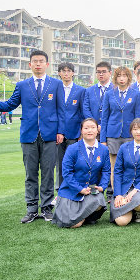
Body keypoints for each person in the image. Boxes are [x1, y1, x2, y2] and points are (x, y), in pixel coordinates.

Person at [0, 50, 63, 223]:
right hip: (29, 134)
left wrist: (60, 131)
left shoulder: (56, 84)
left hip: (50, 135)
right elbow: (9, 105)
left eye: (41, 61)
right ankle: (31, 209)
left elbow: (61, 109)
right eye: (35, 61)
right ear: (30, 64)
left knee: (48, 173)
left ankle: (47, 208)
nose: (38, 64)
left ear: (47, 64)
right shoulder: (22, 85)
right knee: (30, 174)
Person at [52, 118, 110, 228]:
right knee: (74, 224)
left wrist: (102, 186)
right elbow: (67, 173)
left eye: (93, 127)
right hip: (71, 189)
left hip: (91, 188)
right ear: (81, 131)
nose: (90, 130)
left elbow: (106, 171)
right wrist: (79, 189)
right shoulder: (72, 148)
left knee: (99, 200)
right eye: (86, 128)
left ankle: (86, 216)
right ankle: (83, 216)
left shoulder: (104, 149)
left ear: (97, 131)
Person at [100, 66, 140, 197]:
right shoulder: (109, 94)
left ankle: (129, 193)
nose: (122, 78)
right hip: (113, 134)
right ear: (115, 78)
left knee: (129, 165)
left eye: (124, 76)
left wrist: (137, 136)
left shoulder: (135, 94)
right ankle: (116, 195)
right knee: (114, 167)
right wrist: (103, 139)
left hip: (129, 135)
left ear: (129, 78)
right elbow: (105, 117)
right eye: (119, 76)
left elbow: (138, 117)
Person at [110, 118, 140, 226]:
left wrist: (136, 190)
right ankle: (130, 210)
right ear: (131, 131)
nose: (138, 132)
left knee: (139, 203)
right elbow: (117, 171)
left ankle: (138, 211)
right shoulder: (123, 148)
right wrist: (118, 194)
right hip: (125, 187)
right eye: (135, 129)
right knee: (121, 222)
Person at [56, 62, 86, 190]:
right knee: (59, 163)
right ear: (59, 73)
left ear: (73, 73)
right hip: (57, 133)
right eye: (63, 71)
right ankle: (60, 189)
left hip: (74, 133)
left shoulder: (80, 90)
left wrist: (82, 133)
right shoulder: (55, 89)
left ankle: (74, 189)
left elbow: (83, 113)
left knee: (74, 162)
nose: (66, 73)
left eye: (69, 71)